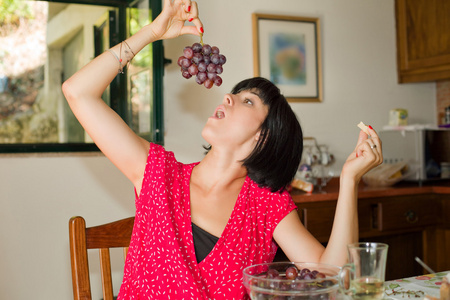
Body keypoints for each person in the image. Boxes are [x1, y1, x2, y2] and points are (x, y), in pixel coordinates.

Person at [62, 0, 383, 299]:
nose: (227, 98)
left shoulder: (266, 205)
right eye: (232, 94)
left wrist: (350, 179)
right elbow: (79, 92)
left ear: (265, 138)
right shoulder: (157, 172)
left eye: (247, 101)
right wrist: (153, 33)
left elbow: (336, 278)